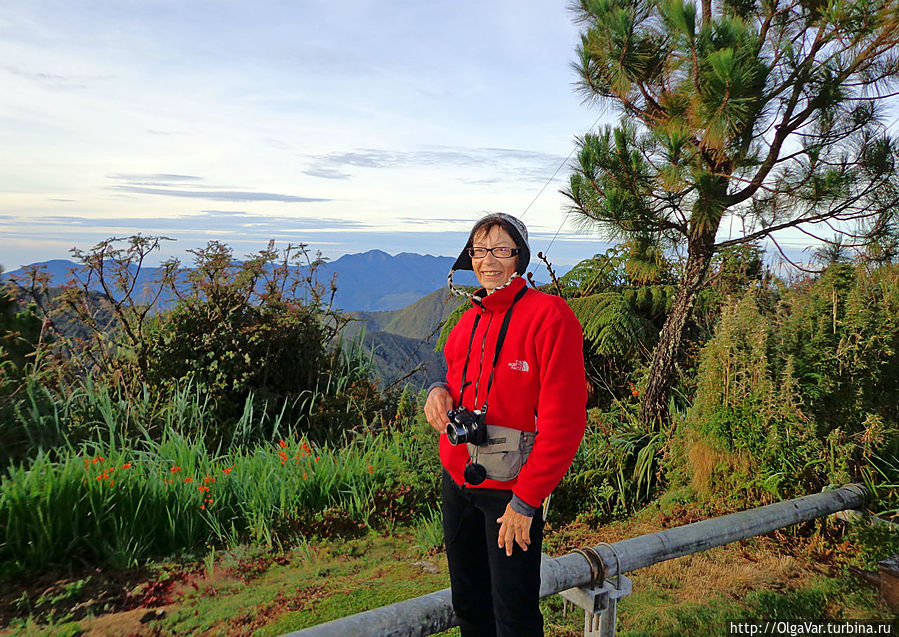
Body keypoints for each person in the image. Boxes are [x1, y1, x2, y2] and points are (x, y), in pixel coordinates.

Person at [424, 212, 587, 637]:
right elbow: (453, 377)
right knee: (469, 606)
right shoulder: (470, 319)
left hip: (510, 492)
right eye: (479, 250)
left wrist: (526, 502)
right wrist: (437, 391)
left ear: (520, 257)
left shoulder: (550, 317)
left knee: (513, 613)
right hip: (458, 479)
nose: (488, 260)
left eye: (501, 249)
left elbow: (565, 422)